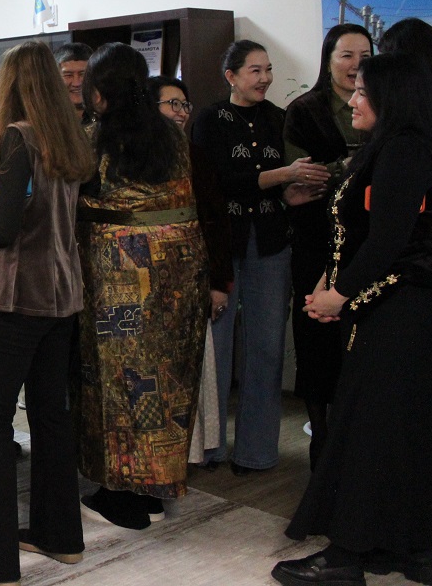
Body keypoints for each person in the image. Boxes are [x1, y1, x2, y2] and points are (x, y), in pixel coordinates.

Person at [274, 52, 432, 586]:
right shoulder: (393, 146)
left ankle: (348, 553)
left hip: (402, 310)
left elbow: (390, 240)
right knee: (397, 430)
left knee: (369, 429)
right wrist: (331, 280)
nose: (353, 101)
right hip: (393, 306)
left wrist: (339, 295)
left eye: (363, 92)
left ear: (392, 98)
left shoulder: (405, 151)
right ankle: (408, 548)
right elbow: (363, 233)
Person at [0, 40, 96, 586]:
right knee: (51, 413)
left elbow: (4, 229)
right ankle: (60, 535)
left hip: (22, 294)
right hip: (63, 294)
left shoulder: (16, 139)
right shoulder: (67, 138)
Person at [75, 45, 210, 530]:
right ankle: (153, 486)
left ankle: (121, 493)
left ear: (98, 91)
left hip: (120, 277)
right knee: (167, 378)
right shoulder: (171, 135)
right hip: (180, 272)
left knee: (120, 380)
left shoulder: (95, 140)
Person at [191, 40, 329, 475]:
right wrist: (281, 175)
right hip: (221, 243)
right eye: (255, 70)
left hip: (270, 243)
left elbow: (284, 185)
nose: (265, 78)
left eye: (268, 69)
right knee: (216, 347)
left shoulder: (279, 118)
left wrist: (293, 191)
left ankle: (257, 451)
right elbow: (216, 182)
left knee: (267, 348)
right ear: (230, 76)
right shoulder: (210, 119)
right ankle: (210, 447)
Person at [283, 24, 372, 470]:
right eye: (346, 56)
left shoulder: (384, 107)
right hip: (316, 241)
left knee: (360, 344)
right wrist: (352, 167)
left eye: (364, 56)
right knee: (316, 342)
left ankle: (355, 443)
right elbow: (300, 183)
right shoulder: (305, 110)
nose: (355, 66)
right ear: (328, 60)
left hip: (368, 242)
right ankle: (320, 442)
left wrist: (335, 172)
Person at [148, 75, 232, 468]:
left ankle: (190, 454)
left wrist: (218, 283)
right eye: (172, 104)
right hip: (150, 287)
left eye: (184, 105)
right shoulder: (139, 157)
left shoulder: (197, 156)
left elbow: (216, 224)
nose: (180, 112)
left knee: (192, 371)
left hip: (194, 280)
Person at [54, 42, 93, 123]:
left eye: (83, 74)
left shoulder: (108, 118)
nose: (77, 83)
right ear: (56, 77)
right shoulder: (47, 121)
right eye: (68, 75)